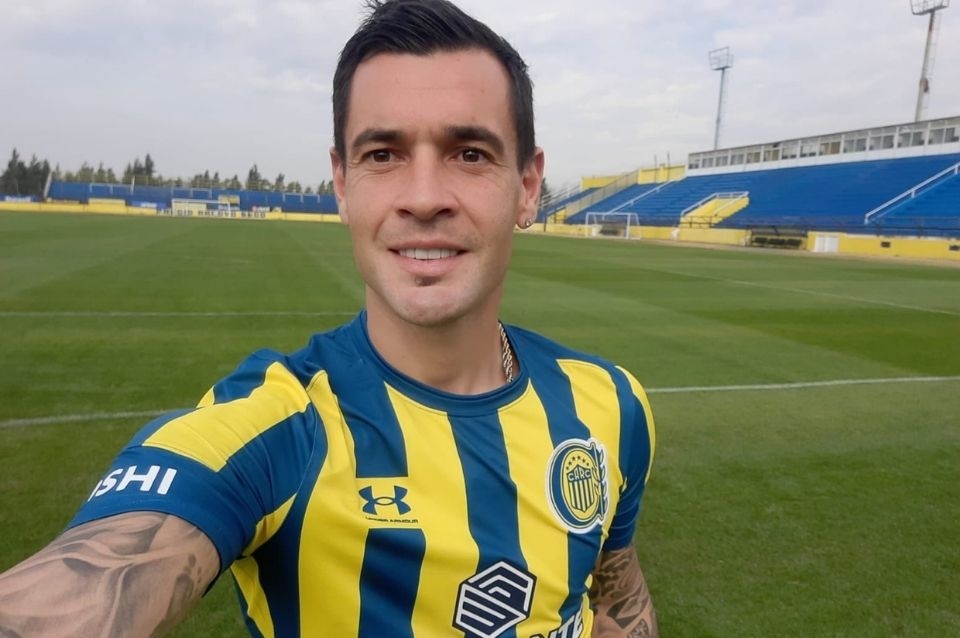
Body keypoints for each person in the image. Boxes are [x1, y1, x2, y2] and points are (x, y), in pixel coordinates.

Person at [0, 1, 658, 636]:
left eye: (470, 153)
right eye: (383, 155)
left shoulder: (610, 404)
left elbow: (616, 595)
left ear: (528, 187)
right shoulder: (277, 432)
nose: (424, 198)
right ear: (342, 184)